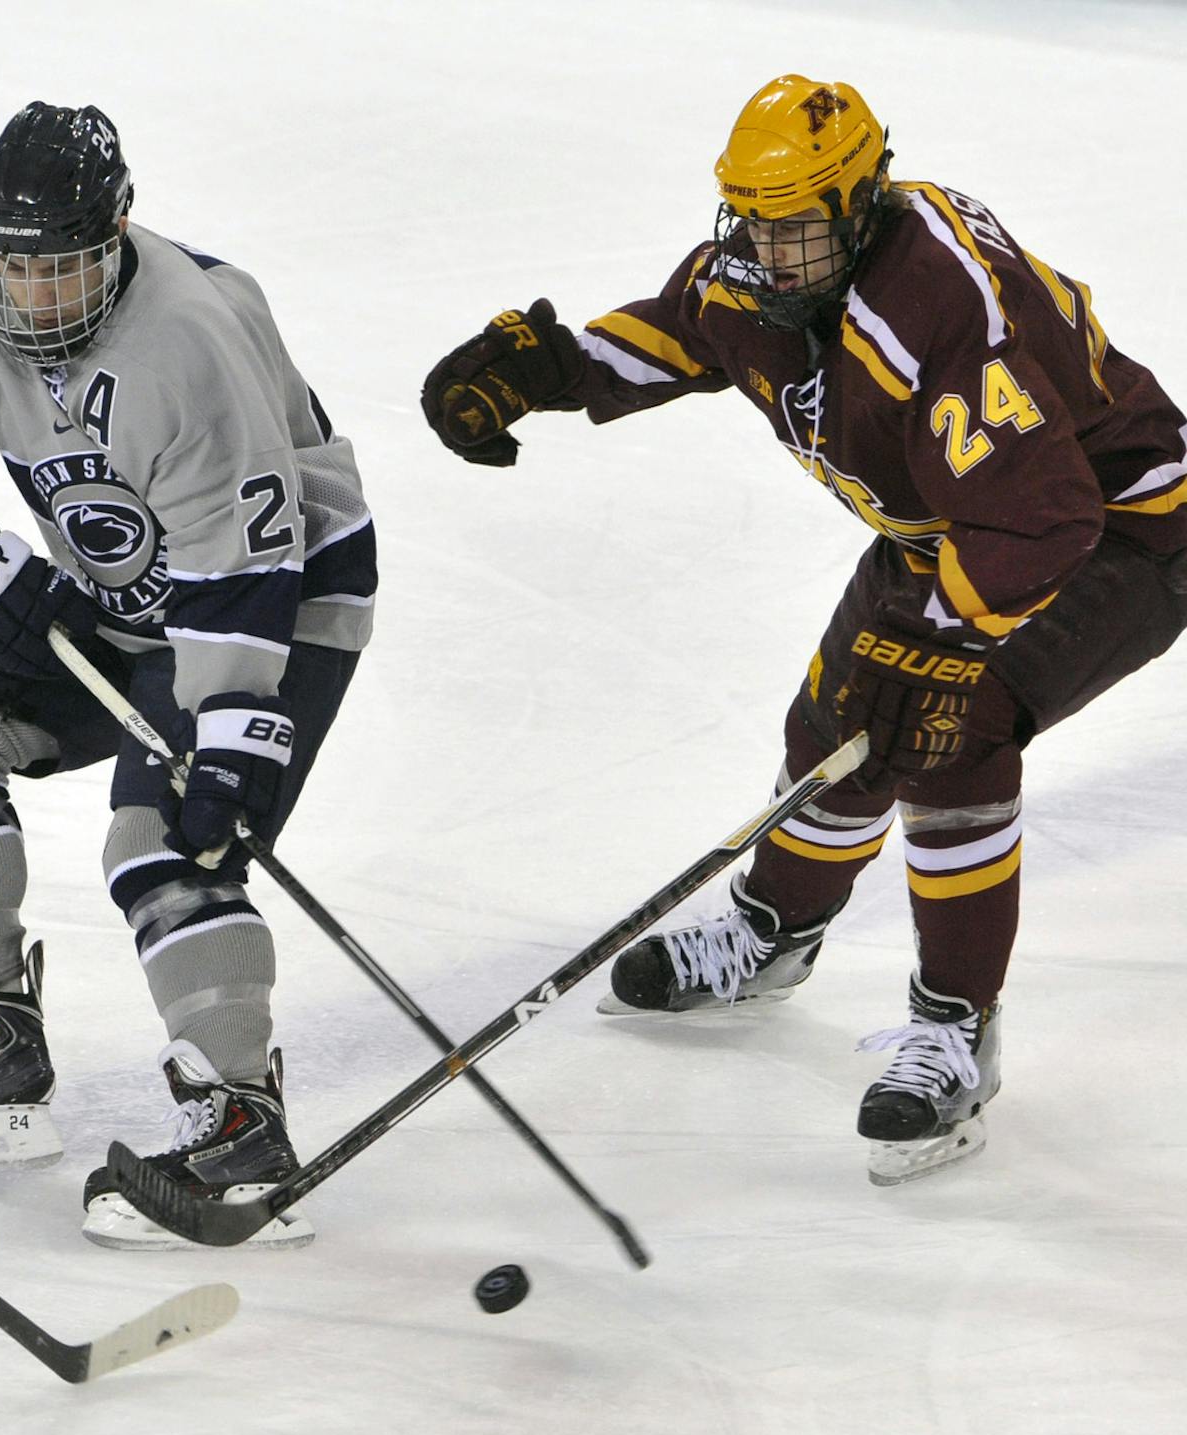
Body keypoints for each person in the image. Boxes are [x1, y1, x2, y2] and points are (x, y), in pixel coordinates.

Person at [420, 76, 1187, 1185]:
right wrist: (554, 371)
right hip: (950, 525)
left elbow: (1045, 514)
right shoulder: (767, 268)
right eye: (754, 225)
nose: (772, 256)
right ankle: (773, 935)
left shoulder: (946, 309)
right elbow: (691, 328)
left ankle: (955, 1029)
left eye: (798, 232)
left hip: (1120, 533)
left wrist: (941, 645)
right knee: (836, 727)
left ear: (861, 205)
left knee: (947, 730)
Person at [0, 100, 377, 1248]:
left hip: (275, 595)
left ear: (120, 232)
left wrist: (234, 738)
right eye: (13, 267)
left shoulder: (189, 337)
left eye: (68, 268)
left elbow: (245, 567)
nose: (35, 296)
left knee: (169, 837)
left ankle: (240, 1128)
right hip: (113, 592)